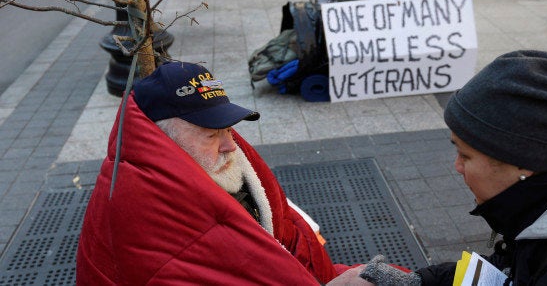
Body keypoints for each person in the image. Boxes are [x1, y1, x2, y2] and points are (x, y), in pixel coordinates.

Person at [351, 36, 547, 285]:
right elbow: (511, 269)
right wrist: (416, 282)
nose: (457, 167)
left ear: (524, 161)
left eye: (466, 155)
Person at [76, 62, 353, 284]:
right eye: (210, 135)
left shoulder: (209, 162)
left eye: (228, 129)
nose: (230, 146)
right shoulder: (139, 204)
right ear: (163, 138)